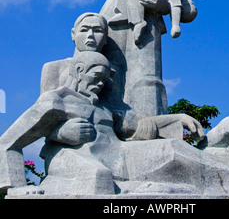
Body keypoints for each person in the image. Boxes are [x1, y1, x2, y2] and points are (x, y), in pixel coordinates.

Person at [0, 51, 204, 197]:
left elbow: (140, 124)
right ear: (79, 71)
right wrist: (16, 186)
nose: (100, 84)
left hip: (119, 157)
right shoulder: (56, 100)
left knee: (172, 149)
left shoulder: (104, 106)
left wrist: (178, 118)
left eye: (104, 80)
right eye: (96, 77)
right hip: (73, 160)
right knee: (100, 177)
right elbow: (9, 142)